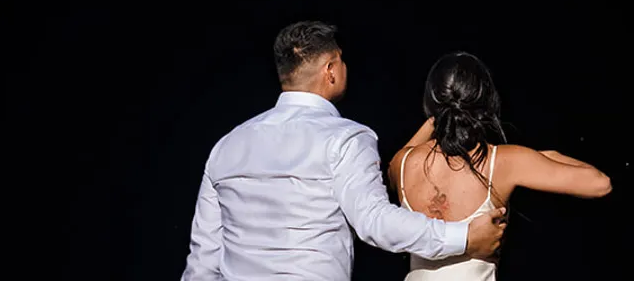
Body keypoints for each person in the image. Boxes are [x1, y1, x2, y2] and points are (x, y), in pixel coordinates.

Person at [181, 21, 507, 280]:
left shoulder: (227, 145)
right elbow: (375, 223)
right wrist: (464, 236)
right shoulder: (346, 139)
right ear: (331, 70)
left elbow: (203, 260)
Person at [386, 51, 611, 278]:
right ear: (487, 101)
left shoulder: (403, 163)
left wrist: (439, 116)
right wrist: (547, 156)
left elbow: (399, 159)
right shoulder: (503, 161)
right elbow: (600, 184)